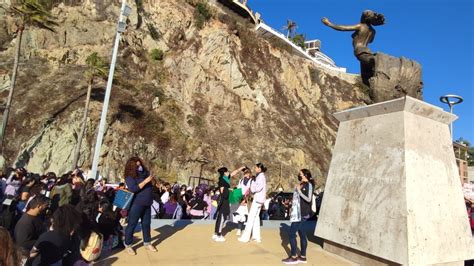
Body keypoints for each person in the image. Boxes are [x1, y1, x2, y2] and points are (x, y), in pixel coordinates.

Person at [321, 10, 385, 86]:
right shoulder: (373, 31)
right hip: (368, 51)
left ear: (364, 17)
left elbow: (343, 28)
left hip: (360, 51)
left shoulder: (360, 26)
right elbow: (370, 41)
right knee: (366, 78)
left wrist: (329, 24)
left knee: (374, 63)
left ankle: (382, 65)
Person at [123, 157, 157, 255]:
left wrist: (152, 180)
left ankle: (147, 243)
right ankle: (128, 244)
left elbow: (151, 185)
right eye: (137, 165)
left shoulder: (145, 173)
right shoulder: (129, 177)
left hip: (147, 203)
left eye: (140, 163)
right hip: (136, 204)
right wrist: (146, 181)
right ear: (132, 166)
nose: (139, 166)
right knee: (132, 224)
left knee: (146, 224)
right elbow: (133, 189)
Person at [282, 169, 314, 264]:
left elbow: (308, 199)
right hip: (297, 212)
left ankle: (293, 257)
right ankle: (303, 257)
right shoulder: (301, 183)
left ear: (305, 175)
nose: (299, 175)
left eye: (300, 174)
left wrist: (299, 191)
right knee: (302, 234)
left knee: (292, 234)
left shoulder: (309, 185)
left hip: (302, 213)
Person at [238, 163, 267, 243]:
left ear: (259, 168)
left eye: (256, 167)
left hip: (257, 199)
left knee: (251, 218)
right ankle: (256, 236)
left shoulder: (260, 176)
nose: (255, 169)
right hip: (260, 200)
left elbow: (257, 188)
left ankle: (245, 237)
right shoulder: (261, 176)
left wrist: (252, 185)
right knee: (256, 218)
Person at [212, 167, 231, 242]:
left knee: (220, 217)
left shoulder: (223, 179)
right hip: (224, 201)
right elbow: (223, 191)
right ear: (224, 173)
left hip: (223, 200)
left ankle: (216, 233)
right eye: (227, 171)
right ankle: (219, 235)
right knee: (222, 217)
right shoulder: (223, 180)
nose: (228, 173)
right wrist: (229, 191)